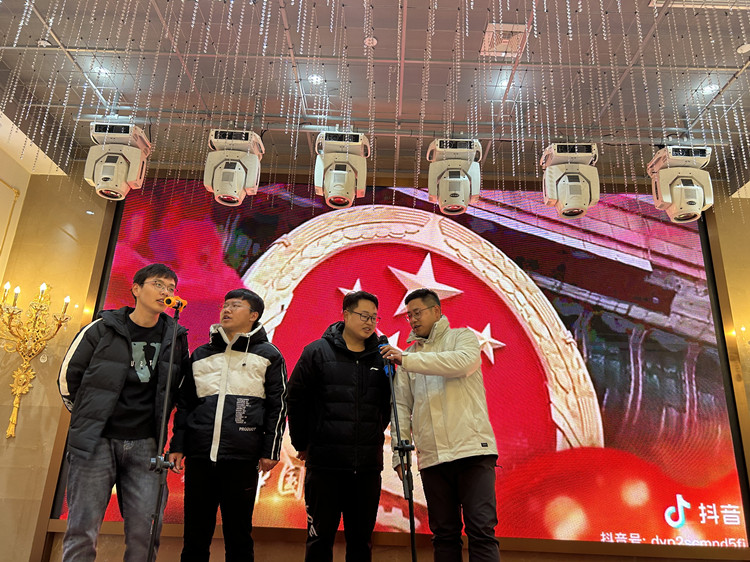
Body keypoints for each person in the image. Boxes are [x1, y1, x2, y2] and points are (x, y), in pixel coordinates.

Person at [58, 263, 190, 562]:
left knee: (145, 532)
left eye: (171, 288)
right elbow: (68, 378)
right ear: (136, 289)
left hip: (146, 444)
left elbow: (181, 391)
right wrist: (88, 418)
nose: (165, 292)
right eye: (158, 284)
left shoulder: (175, 335)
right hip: (96, 442)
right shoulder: (102, 328)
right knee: (82, 528)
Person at [380, 288, 500, 562]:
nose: (412, 320)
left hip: (472, 452)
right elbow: (401, 408)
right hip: (433, 458)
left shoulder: (462, 338)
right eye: (409, 315)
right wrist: (399, 454)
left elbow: (461, 364)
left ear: (436, 311)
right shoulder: (408, 357)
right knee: (444, 535)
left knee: (481, 530)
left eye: (417, 313)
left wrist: (406, 359)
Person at [168, 288, 288, 562]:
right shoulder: (201, 354)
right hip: (200, 457)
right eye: (225, 305)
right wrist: (178, 445)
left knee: (238, 536)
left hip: (241, 458)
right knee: (195, 536)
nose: (227, 310)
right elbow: (185, 404)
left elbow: (278, 406)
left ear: (254, 315)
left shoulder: (269, 354)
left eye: (235, 305)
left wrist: (270, 450)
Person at [287, 290, 391, 562]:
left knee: (361, 543)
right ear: (345, 314)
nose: (369, 322)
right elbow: (295, 399)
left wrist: (372, 432)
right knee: (320, 541)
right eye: (363, 315)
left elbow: (388, 405)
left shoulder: (382, 357)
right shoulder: (316, 352)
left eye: (374, 317)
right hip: (325, 466)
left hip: (367, 468)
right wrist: (302, 442)